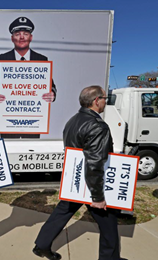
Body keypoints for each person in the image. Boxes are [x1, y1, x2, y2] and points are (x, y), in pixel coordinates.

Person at [33, 86, 121, 260]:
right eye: (105, 98)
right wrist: (97, 197)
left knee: (62, 212)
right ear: (96, 100)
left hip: (75, 179)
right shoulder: (97, 126)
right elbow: (95, 163)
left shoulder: (73, 120)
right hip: (91, 183)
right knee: (109, 222)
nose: (106, 101)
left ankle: (41, 246)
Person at [0, 16, 57, 138]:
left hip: (33, 121)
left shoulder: (41, 59)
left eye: (25, 33)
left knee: (30, 152)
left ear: (31, 37)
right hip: (8, 120)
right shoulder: (1, 59)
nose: (22, 37)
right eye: (18, 34)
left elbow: (51, 86)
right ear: (12, 38)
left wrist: (52, 93)